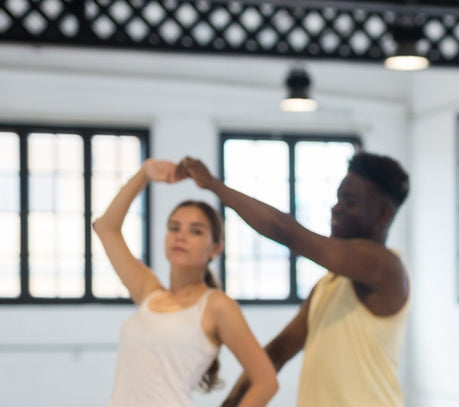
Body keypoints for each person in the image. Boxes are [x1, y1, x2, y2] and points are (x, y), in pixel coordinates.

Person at [178, 151, 410, 407]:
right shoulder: (328, 285)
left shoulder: (385, 268)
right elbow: (277, 353)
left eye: (349, 201)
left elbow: (287, 232)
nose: (336, 208)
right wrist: (230, 403)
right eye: (337, 198)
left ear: (383, 215)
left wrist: (213, 185)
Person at [94, 158, 278, 407]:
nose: (181, 236)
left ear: (215, 248)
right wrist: (144, 173)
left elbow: (266, 383)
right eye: (174, 227)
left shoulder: (216, 306)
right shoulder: (148, 291)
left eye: (196, 231)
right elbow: (106, 228)